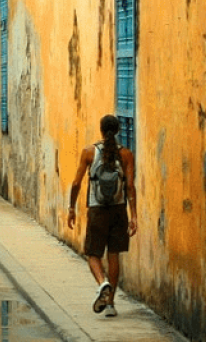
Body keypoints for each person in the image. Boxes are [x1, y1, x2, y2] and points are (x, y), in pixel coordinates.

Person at [67, 114, 138, 318]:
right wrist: (133, 216)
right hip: (118, 209)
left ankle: (102, 283)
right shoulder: (126, 154)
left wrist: (71, 208)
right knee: (113, 255)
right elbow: (130, 186)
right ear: (117, 131)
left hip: (97, 210)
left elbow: (75, 183)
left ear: (101, 130)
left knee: (93, 254)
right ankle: (111, 304)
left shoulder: (89, 152)